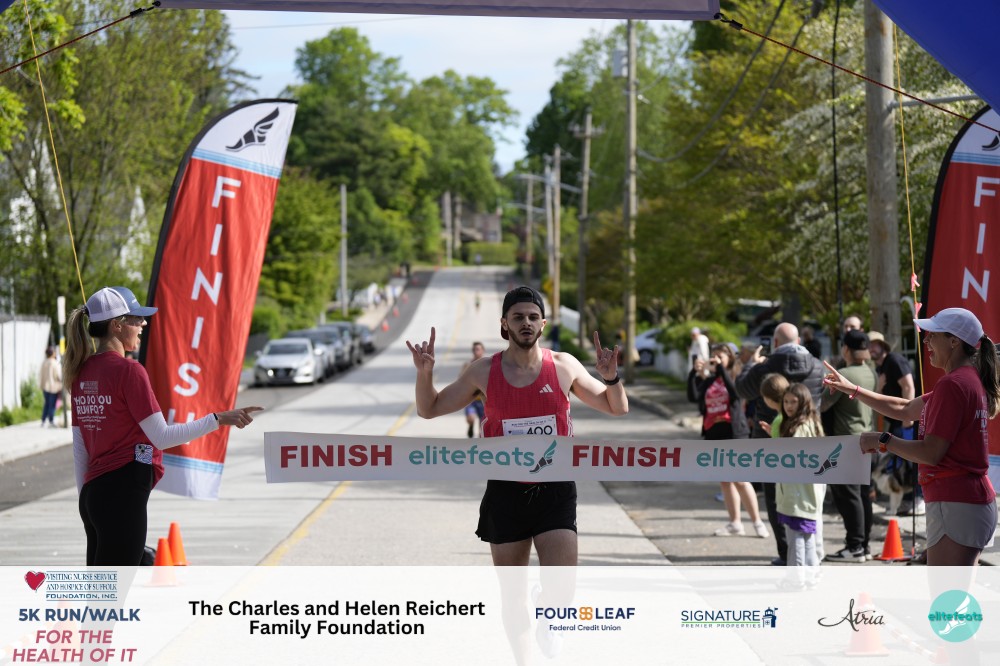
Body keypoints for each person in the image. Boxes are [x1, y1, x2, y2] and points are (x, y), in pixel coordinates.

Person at [406, 285, 628, 566]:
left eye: (533, 317)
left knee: (560, 586)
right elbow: (429, 409)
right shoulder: (482, 372)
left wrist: (611, 379)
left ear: (543, 324)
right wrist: (424, 374)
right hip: (505, 491)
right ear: (504, 323)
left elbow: (617, 407)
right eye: (518, 317)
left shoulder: (564, 366)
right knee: (513, 590)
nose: (526, 323)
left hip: (555, 488)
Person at [64, 286, 262, 566]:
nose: (143, 323)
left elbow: (80, 449)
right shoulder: (129, 371)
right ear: (117, 325)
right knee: (112, 589)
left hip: (93, 496)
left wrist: (85, 500)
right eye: (137, 318)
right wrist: (218, 419)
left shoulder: (80, 373)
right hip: (122, 493)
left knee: (103, 587)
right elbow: (162, 437)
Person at [822, 307, 999, 566]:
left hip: (957, 501)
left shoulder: (954, 384)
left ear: (954, 341)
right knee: (953, 590)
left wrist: (882, 441)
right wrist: (853, 389)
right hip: (963, 501)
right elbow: (904, 408)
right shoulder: (964, 380)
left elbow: (931, 452)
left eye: (933, 335)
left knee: (948, 590)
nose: (926, 341)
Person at [736, 322, 825, 565]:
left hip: (770, 446)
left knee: (777, 500)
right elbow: (827, 396)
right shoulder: (817, 366)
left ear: (775, 343)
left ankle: (787, 556)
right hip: (812, 444)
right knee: (810, 506)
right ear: (799, 341)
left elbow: (742, 389)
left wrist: (750, 364)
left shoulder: (765, 367)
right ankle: (812, 560)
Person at [688, 344, 768, 538]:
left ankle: (757, 522)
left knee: (741, 479)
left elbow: (735, 393)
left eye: (720, 356)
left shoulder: (736, 376)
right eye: (713, 356)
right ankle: (735, 523)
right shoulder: (710, 380)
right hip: (714, 433)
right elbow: (694, 397)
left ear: (730, 358)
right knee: (725, 481)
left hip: (735, 433)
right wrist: (693, 373)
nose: (715, 359)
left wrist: (721, 370)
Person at [821, 329, 877, 562]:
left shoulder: (843, 374)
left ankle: (854, 546)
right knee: (863, 494)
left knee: (848, 495)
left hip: (845, 441)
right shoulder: (871, 372)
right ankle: (863, 545)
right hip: (867, 437)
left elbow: (823, 405)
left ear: (845, 349)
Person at [774, 383, 826, 584]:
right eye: (786, 401)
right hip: (804, 491)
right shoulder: (811, 423)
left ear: (803, 402)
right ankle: (810, 576)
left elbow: (792, 457)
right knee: (807, 534)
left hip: (797, 491)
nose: (788, 406)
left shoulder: (800, 427)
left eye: (793, 402)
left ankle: (796, 578)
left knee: (796, 535)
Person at [868, 330, 923, 515]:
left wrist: (908, 418)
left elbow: (908, 386)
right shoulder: (881, 368)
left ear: (882, 346)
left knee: (912, 460)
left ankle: (918, 498)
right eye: (868, 345)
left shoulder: (894, 360)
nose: (871, 348)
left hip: (907, 420)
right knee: (901, 463)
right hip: (897, 420)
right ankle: (907, 500)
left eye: (874, 344)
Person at [463, 341, 486, 438]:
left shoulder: (487, 365)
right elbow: (460, 381)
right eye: (474, 349)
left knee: (482, 425)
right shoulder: (467, 365)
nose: (475, 351)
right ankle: (471, 425)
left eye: (478, 349)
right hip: (471, 399)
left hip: (483, 400)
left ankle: (480, 442)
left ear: (483, 351)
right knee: (471, 418)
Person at [39, 346, 62, 428]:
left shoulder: (44, 362)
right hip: (53, 387)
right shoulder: (54, 363)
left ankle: (43, 420)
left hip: (45, 386)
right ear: (52, 353)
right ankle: (51, 420)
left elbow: (41, 375)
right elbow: (58, 375)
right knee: (52, 404)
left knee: (47, 403)